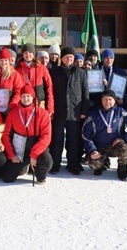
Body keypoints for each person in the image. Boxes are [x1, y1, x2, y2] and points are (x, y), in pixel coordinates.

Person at [81, 90, 127, 181]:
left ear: (114, 101)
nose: (107, 102)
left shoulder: (120, 112)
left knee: (124, 148)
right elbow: (86, 134)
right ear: (101, 100)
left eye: (110, 99)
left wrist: (124, 138)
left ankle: (122, 170)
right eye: (105, 99)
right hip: (99, 148)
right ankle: (101, 164)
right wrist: (92, 150)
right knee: (95, 165)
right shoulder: (93, 114)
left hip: (114, 146)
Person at [49, 47, 90, 175]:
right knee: (57, 140)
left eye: (71, 57)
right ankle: (55, 164)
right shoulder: (54, 72)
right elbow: (50, 93)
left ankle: (73, 165)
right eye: (67, 57)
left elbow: (85, 94)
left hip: (75, 112)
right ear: (62, 58)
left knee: (73, 141)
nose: (69, 59)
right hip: (59, 112)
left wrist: (84, 110)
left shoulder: (81, 73)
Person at [0, 85, 53, 184]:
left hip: (36, 144)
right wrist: (11, 155)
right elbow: (5, 135)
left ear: (32, 96)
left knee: (47, 161)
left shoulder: (42, 113)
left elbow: (46, 137)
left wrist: (34, 154)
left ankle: (40, 175)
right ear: (20, 97)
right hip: (20, 147)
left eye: (28, 96)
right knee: (7, 178)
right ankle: (24, 166)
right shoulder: (13, 113)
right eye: (23, 96)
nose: (26, 99)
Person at [16, 43, 54, 117]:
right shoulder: (17, 69)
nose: (28, 55)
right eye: (25, 53)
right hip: (23, 104)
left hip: (39, 104)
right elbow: (16, 90)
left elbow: (49, 88)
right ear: (22, 54)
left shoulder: (42, 68)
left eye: (30, 52)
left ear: (33, 54)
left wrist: (50, 108)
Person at [0, 48, 24, 117]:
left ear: (9, 61)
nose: (3, 62)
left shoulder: (14, 74)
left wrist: (11, 105)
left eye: (6, 60)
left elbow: (19, 91)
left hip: (9, 108)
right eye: (1, 60)